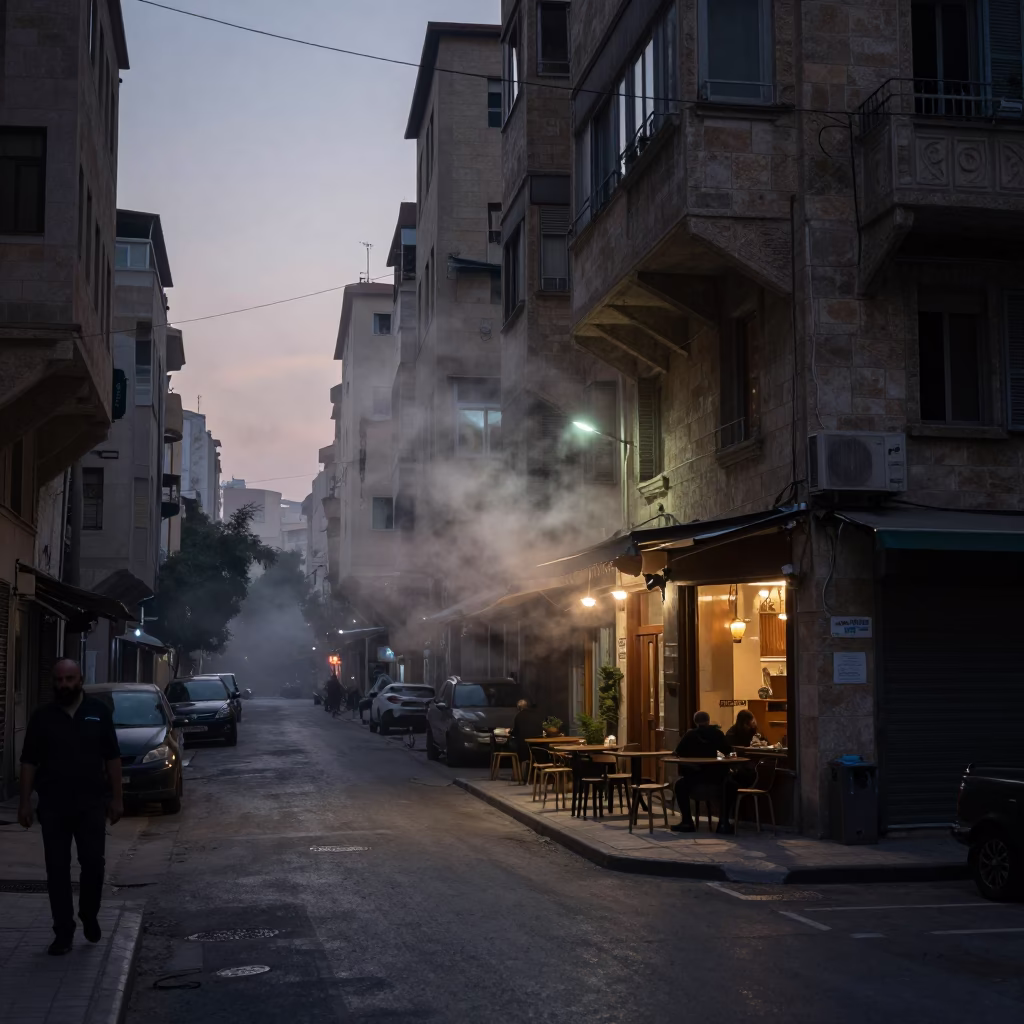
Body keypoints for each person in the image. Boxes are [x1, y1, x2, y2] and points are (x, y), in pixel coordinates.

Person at [18, 659, 123, 955]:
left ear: (80, 680)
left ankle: (88, 914)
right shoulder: (42, 717)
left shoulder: (98, 713)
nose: (64, 684)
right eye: (59, 679)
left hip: (91, 805)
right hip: (53, 806)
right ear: (54, 682)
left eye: (70, 679)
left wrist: (117, 798)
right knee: (57, 869)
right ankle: (62, 931)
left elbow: (112, 757)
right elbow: (28, 761)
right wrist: (25, 802)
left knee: (93, 864)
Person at [670, 711, 733, 834]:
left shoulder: (690, 735)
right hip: (715, 779)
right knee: (730, 785)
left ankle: (687, 822)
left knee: (679, 785)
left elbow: (676, 753)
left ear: (695, 722)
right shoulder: (717, 734)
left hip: (694, 779)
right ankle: (723, 823)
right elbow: (728, 751)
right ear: (708, 721)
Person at [509, 698, 543, 771]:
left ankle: (517, 773)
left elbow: (516, 732)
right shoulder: (536, 715)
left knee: (512, 745)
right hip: (538, 746)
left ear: (518, 708)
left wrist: (509, 732)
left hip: (524, 746)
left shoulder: (519, 716)